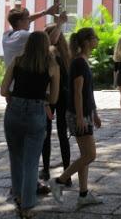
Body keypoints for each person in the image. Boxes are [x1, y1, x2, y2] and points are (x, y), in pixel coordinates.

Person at [2, 5, 66, 195]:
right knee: (32, 146)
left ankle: (20, 185)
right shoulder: (25, 37)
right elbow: (49, 40)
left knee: (17, 150)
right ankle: (28, 188)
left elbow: (24, 21)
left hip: (14, 97)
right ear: (22, 22)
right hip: (35, 96)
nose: (30, 21)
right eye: (28, 19)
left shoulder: (7, 36)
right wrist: (60, 23)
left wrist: (46, 13)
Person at [0, 31, 60, 219]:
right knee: (31, 161)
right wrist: (43, 100)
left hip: (14, 110)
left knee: (15, 157)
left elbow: (3, 90)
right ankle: (27, 206)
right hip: (36, 112)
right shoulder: (52, 65)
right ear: (45, 45)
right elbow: (54, 98)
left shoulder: (18, 60)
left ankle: (18, 196)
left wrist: (14, 97)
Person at [50, 28, 103, 208]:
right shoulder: (79, 62)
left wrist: (94, 113)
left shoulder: (84, 61)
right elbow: (78, 92)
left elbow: (88, 91)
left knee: (85, 156)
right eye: (95, 37)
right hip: (77, 114)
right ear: (87, 41)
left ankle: (83, 194)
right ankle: (59, 181)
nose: (98, 40)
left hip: (86, 113)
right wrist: (80, 117)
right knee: (90, 155)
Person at [40, 25, 72, 184]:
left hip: (49, 96)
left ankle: (45, 169)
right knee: (62, 134)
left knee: (45, 133)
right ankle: (68, 173)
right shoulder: (67, 55)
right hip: (64, 97)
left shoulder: (48, 55)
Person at [3, 3, 61, 67]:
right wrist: (60, 23)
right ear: (19, 22)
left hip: (12, 75)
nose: (29, 20)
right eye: (27, 18)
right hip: (22, 76)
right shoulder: (23, 36)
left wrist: (45, 12)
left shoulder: (6, 35)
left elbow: (25, 19)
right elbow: (51, 41)